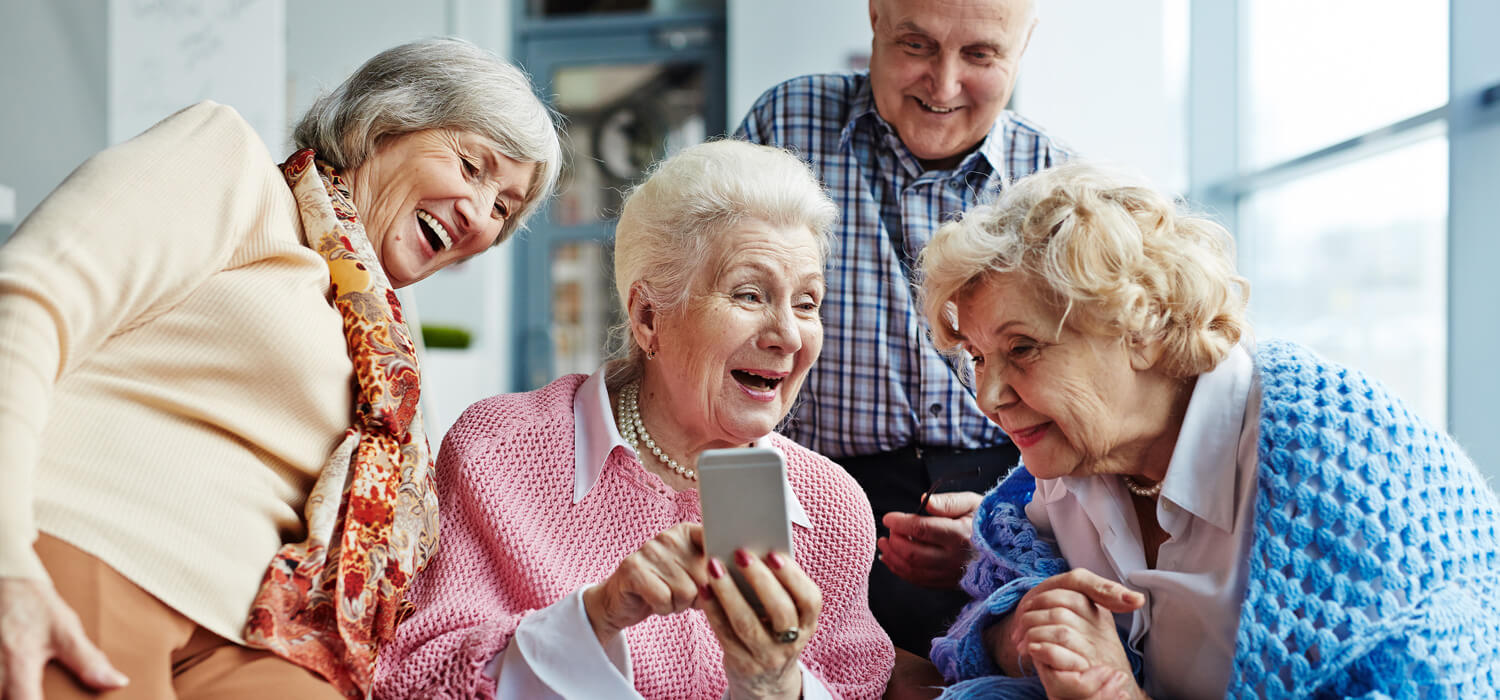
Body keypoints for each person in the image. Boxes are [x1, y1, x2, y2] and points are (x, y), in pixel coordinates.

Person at [0, 38, 560, 699]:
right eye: (472, 165)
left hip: (268, 634)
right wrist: (9, 565)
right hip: (103, 542)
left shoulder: (390, 346)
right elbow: (28, 306)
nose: (479, 215)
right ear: (386, 123)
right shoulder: (232, 166)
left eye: (504, 206)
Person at [919, 161, 1500, 698]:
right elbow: (988, 623)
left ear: (1141, 328)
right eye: (977, 357)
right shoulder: (1071, 463)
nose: (989, 398)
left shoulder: (1355, 465)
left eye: (1022, 347)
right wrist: (1018, 631)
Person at [375, 140, 895, 699]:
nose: (788, 336)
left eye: (807, 303)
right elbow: (415, 678)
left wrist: (774, 685)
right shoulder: (499, 451)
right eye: (750, 294)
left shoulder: (829, 506)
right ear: (649, 317)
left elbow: (857, 684)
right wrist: (595, 619)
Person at [735, 0, 1069, 655]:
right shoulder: (786, 123)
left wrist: (1003, 533)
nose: (942, 86)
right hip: (811, 490)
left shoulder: (1054, 180)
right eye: (916, 46)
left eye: (979, 55)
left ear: (1023, 45)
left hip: (1005, 492)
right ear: (875, 18)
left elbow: (1082, 423)